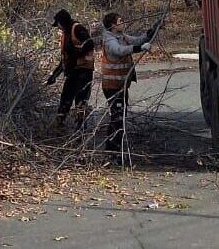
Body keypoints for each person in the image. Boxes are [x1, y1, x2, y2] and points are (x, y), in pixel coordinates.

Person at [99, 12, 154, 155]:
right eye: (120, 21)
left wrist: (151, 32)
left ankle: (115, 149)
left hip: (121, 86)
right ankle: (112, 150)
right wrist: (139, 49)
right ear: (113, 25)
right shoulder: (109, 40)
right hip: (112, 87)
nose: (123, 23)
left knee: (120, 117)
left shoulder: (121, 36)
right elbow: (119, 51)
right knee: (117, 118)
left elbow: (137, 40)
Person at [45, 9, 95, 129]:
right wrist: (54, 76)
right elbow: (65, 60)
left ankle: (80, 128)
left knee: (80, 100)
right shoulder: (66, 33)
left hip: (83, 71)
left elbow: (90, 44)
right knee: (66, 97)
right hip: (73, 71)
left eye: (58, 24)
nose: (58, 27)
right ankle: (59, 124)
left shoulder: (77, 29)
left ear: (62, 22)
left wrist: (75, 55)